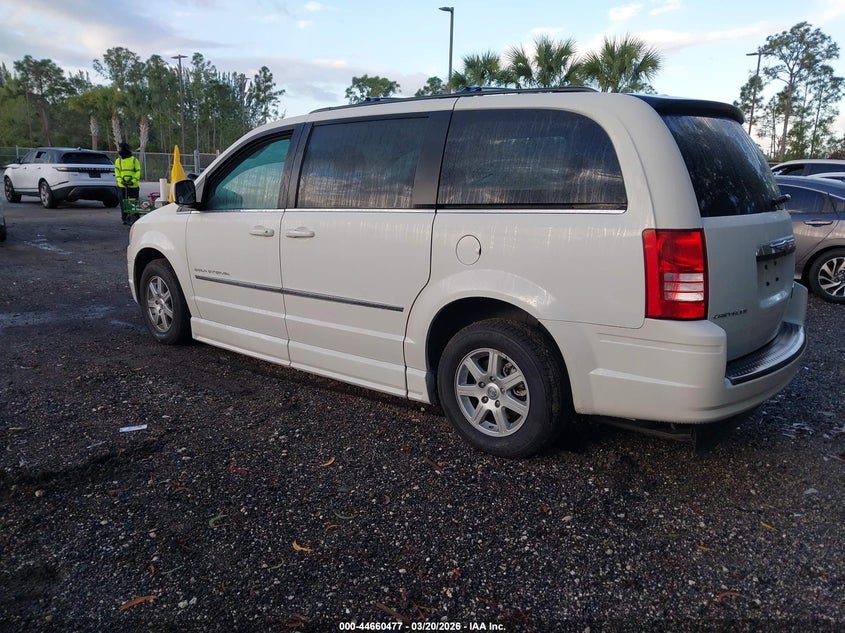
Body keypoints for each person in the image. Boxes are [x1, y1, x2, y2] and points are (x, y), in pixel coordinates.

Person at [115, 142, 141, 224]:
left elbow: (138, 172)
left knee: (133, 202)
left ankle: (135, 218)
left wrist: (132, 181)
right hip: (122, 186)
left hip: (133, 185)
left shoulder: (134, 160)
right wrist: (121, 181)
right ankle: (125, 218)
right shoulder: (118, 161)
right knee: (123, 202)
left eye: (121, 148)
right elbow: (117, 172)